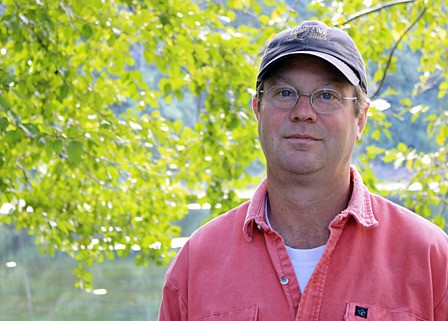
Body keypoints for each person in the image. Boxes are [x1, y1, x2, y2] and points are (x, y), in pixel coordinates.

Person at [158, 20, 448, 321]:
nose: (303, 113)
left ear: (360, 118)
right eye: (285, 93)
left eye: (327, 96)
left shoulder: (430, 258)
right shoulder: (196, 262)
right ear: (258, 109)